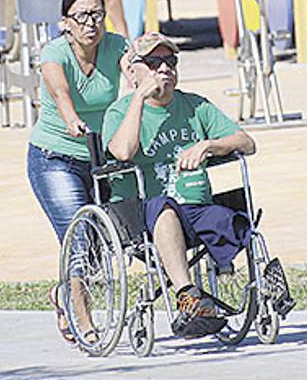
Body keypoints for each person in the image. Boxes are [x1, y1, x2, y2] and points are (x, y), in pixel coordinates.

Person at [103, 33, 257, 337]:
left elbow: (247, 143)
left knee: (234, 219)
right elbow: (122, 152)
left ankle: (260, 290)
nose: (164, 69)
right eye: (153, 62)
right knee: (164, 207)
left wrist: (209, 145)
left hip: (196, 209)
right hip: (144, 213)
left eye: (170, 61)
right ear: (133, 71)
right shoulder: (120, 112)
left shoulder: (195, 106)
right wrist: (139, 98)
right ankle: (188, 296)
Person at [27, 0, 128, 344]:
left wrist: (149, 81)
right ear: (65, 23)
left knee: (110, 240)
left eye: (97, 14)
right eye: (82, 16)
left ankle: (62, 294)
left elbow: (133, 71)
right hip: (55, 158)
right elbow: (60, 91)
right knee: (80, 239)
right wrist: (71, 119)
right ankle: (83, 320)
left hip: (101, 159)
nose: (91, 23)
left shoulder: (115, 45)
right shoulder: (54, 52)